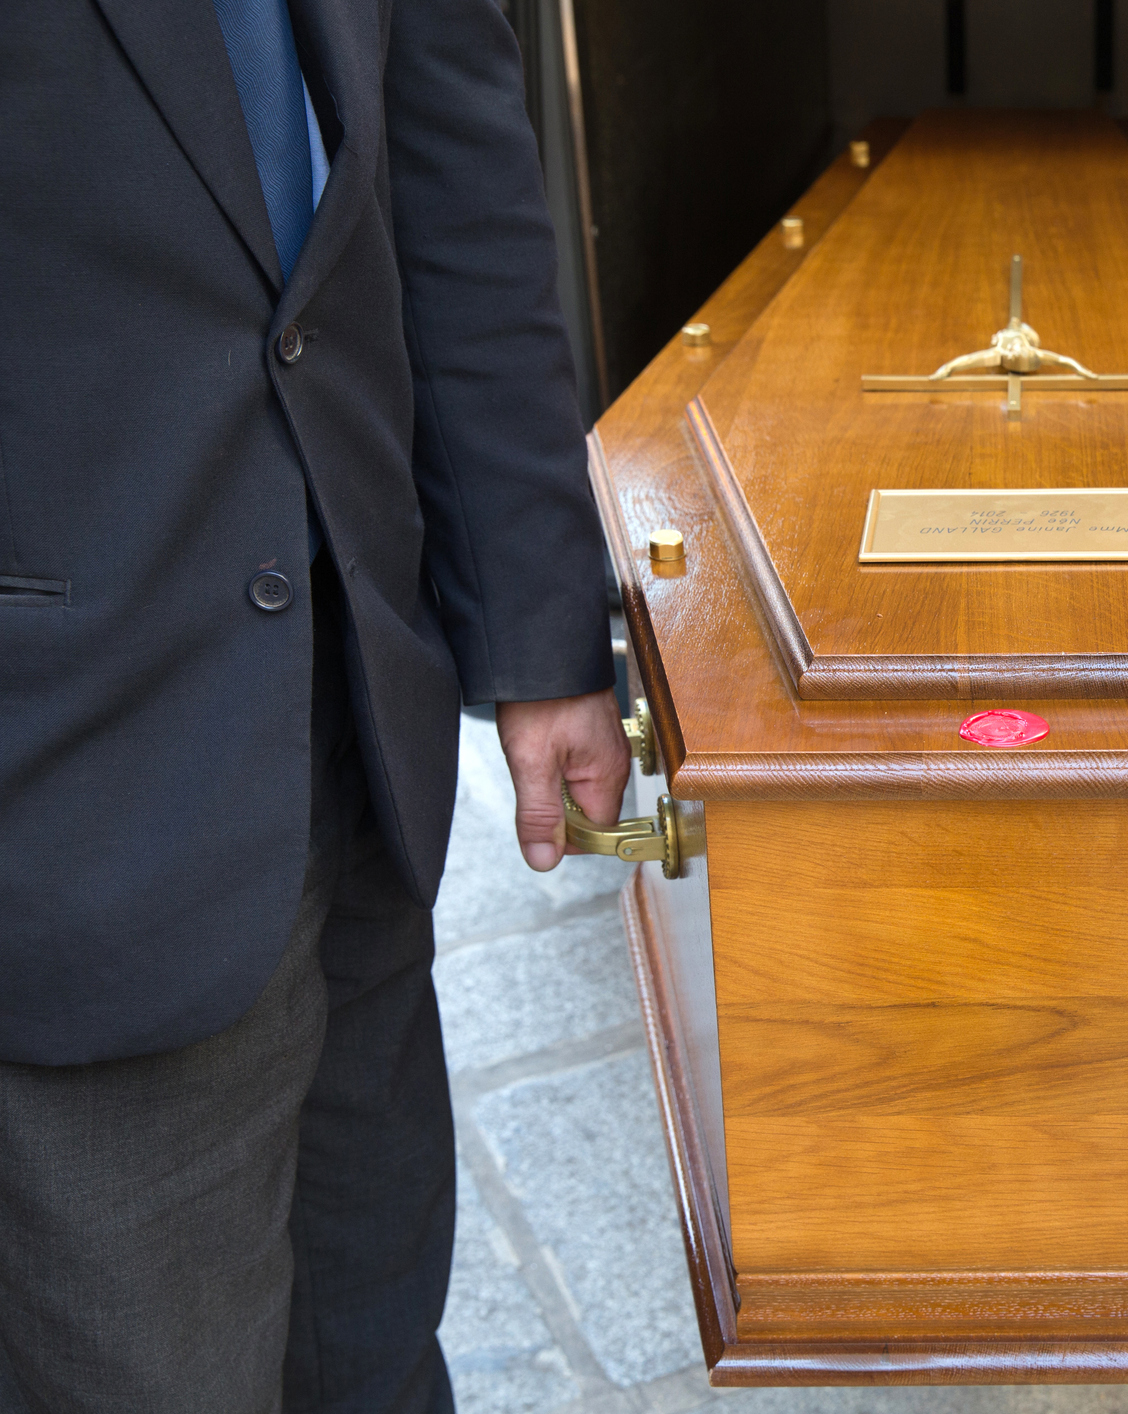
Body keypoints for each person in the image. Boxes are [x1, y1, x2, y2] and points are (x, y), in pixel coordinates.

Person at [0, 0, 630, 1407]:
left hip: (349, 726)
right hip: (63, 795)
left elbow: (453, 161)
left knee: (372, 1348)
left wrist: (539, 631)